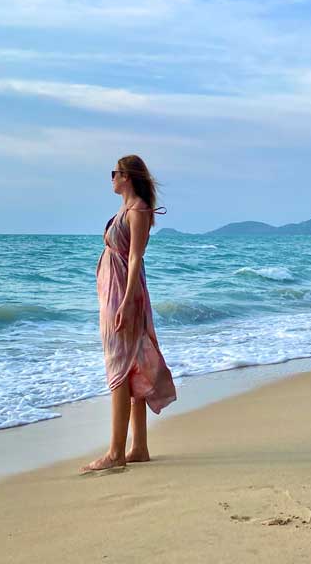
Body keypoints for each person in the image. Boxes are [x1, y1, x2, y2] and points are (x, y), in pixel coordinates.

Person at [81, 154, 177, 473]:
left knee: (119, 366)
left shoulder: (137, 211)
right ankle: (139, 448)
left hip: (123, 293)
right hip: (116, 291)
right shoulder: (126, 209)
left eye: (115, 172)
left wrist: (125, 301)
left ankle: (115, 453)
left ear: (128, 177)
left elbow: (135, 257)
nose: (111, 178)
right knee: (131, 364)